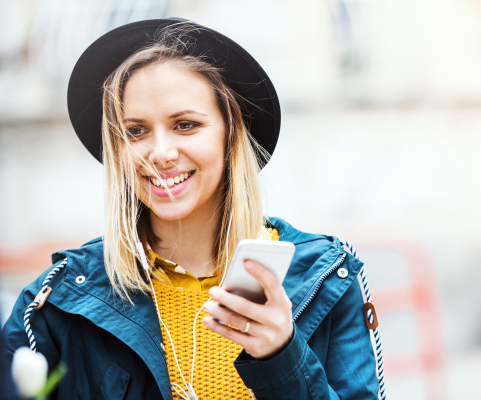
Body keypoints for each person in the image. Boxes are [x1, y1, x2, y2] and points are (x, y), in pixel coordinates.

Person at [1, 19, 383, 400]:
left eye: (185, 125)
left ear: (231, 134)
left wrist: (283, 356)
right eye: (135, 131)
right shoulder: (57, 300)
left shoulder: (330, 276)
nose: (161, 154)